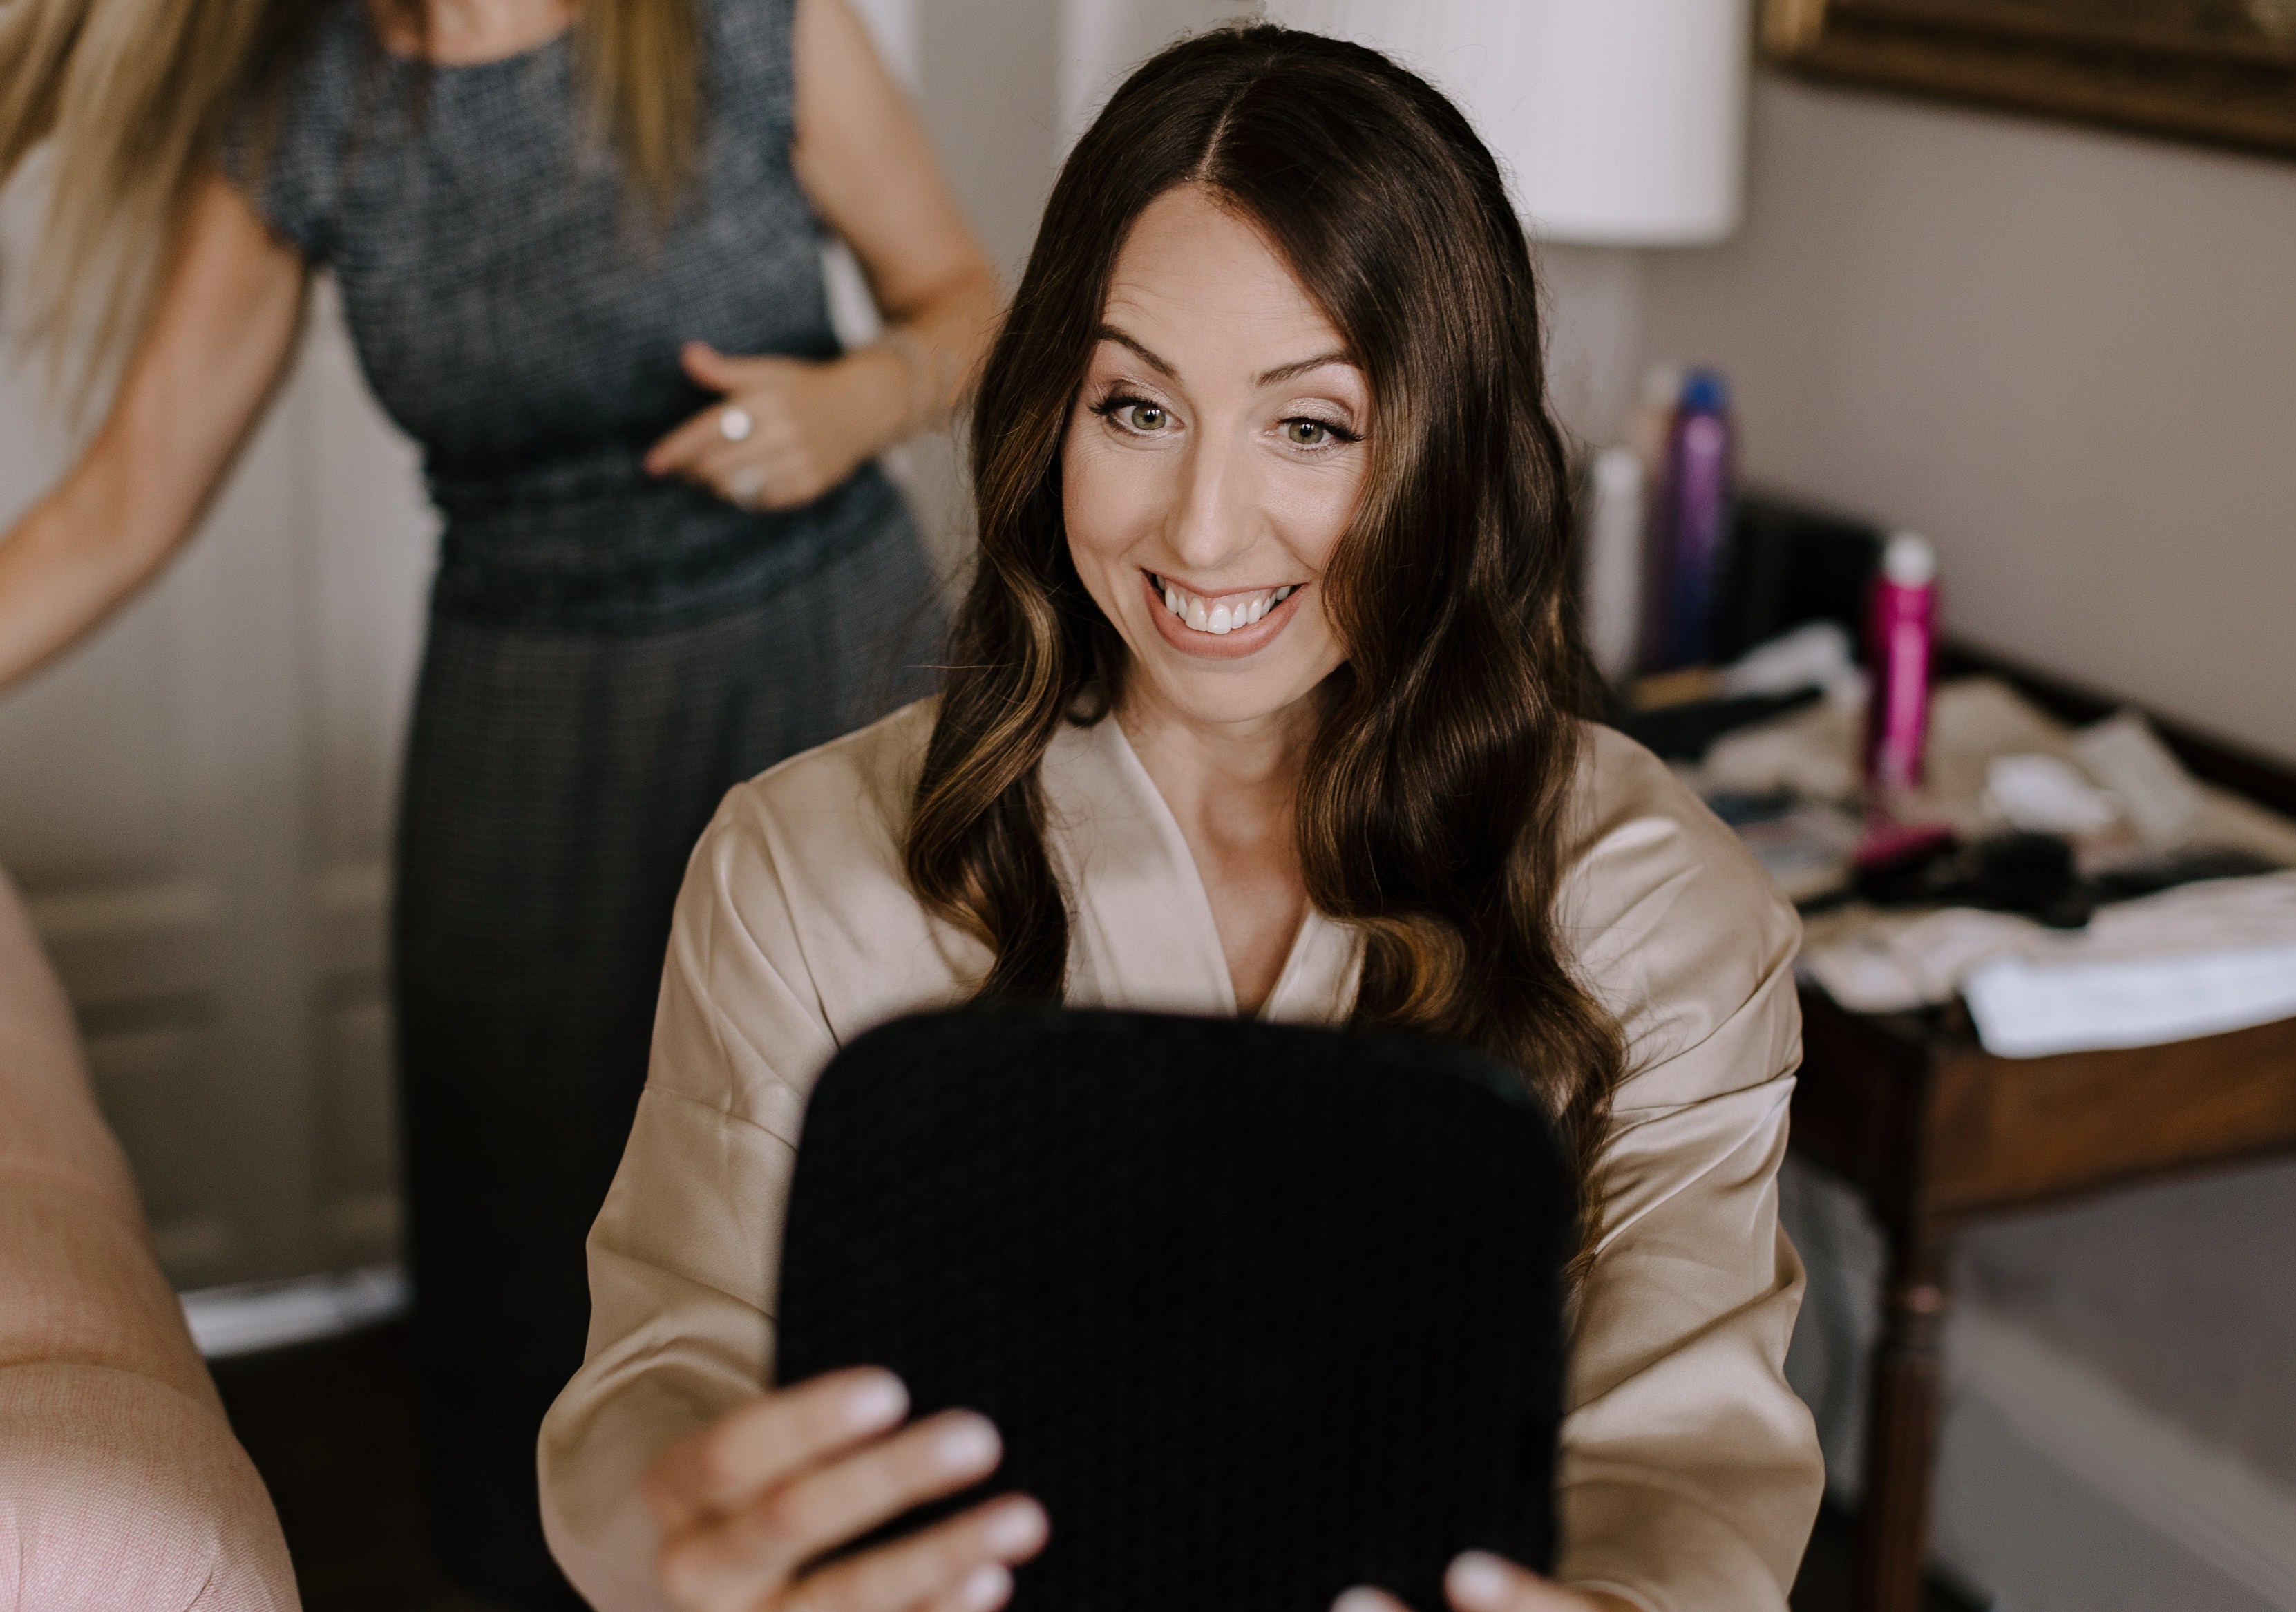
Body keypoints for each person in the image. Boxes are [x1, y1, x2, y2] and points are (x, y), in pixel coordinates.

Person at [539, 23, 1825, 1612]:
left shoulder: (1648, 905)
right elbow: (665, 1366)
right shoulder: (806, 864)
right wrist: (693, 1526)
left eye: (1312, 426)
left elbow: (1683, 1464)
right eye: (1135, 411)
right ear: (1046, 417)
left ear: (1453, 454)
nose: (1202, 529)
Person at [0, 0, 996, 1601]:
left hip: (816, 670)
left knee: (854, 1176)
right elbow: (119, 506)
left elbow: (967, 302)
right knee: (532, 1229)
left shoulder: (740, 23)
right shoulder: (302, 109)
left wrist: (853, 403)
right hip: (522, 716)